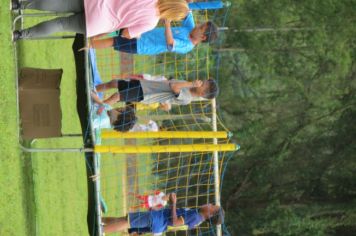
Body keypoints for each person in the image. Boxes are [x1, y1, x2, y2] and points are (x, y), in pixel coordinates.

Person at [11, 0, 189, 41]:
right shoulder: (151, 22)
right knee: (60, 24)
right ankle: (19, 34)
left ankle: (18, 3)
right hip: (100, 23)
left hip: (98, 1)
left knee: (60, 3)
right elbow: (126, 33)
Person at [89, 11, 218, 55]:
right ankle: (89, 35)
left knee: (114, 41)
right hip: (143, 30)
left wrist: (167, 24)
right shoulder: (190, 28)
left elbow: (170, 44)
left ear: (203, 37)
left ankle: (87, 46)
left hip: (142, 45)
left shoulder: (188, 46)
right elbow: (186, 11)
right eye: (200, 24)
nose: (197, 25)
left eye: (200, 27)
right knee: (115, 27)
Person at [102, 193, 224, 234]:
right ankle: (100, 220)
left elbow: (174, 222)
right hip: (158, 222)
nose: (209, 203)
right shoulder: (197, 216)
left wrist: (173, 203)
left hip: (157, 220)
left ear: (210, 214)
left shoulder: (196, 216)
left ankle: (100, 230)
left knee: (127, 222)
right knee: (125, 219)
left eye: (212, 206)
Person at [93, 76, 219, 106]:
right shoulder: (187, 84)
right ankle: (93, 89)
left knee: (117, 96)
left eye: (204, 84)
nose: (201, 81)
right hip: (146, 85)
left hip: (146, 94)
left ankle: (98, 106)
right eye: (204, 81)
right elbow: (169, 81)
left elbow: (174, 87)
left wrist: (191, 83)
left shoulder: (187, 98)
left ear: (202, 93)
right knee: (115, 83)